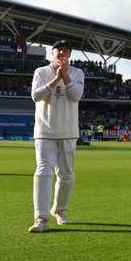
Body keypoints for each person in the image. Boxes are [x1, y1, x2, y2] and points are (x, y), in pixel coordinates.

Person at [29, 39, 85, 232]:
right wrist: (55, 79)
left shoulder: (77, 73)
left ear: (70, 55)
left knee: (66, 175)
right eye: (59, 51)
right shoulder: (41, 72)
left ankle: (60, 210)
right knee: (43, 172)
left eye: (66, 51)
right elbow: (36, 96)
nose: (62, 54)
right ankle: (41, 218)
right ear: (52, 53)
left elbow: (75, 96)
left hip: (68, 132)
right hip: (45, 131)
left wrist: (66, 75)